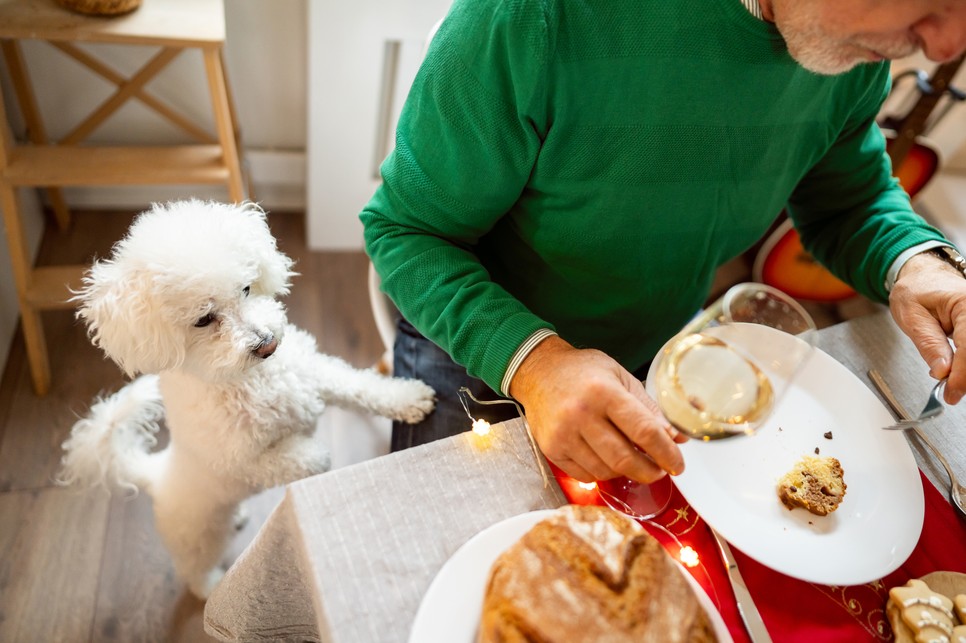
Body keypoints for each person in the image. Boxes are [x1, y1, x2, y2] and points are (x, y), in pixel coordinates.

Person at [360, 0, 966, 485]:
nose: (943, 47)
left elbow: (848, 198)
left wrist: (916, 262)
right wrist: (537, 365)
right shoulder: (531, 16)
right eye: (933, 2)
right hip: (481, 346)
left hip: (654, 350)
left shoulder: (854, 47)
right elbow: (407, 231)